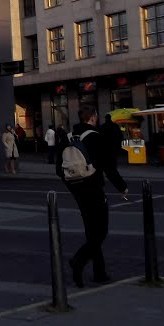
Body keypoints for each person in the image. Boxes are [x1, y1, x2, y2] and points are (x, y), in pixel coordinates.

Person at [62, 105, 129, 289]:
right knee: (101, 231)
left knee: (91, 231)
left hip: (78, 190)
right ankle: (79, 260)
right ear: (92, 117)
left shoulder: (69, 137)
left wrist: (72, 185)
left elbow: (60, 168)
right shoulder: (95, 137)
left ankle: (99, 272)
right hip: (94, 188)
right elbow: (108, 166)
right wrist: (122, 187)